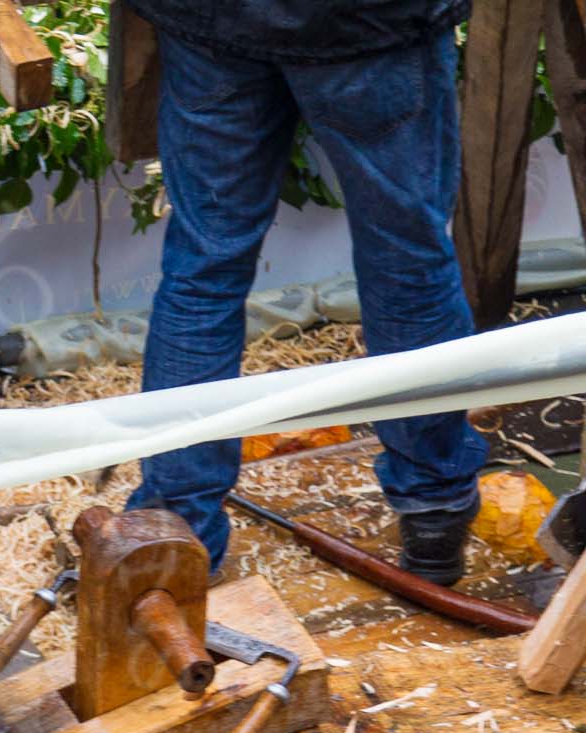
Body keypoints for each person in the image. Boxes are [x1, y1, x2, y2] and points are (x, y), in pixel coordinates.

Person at [123, 0, 485, 582]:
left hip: (218, 24)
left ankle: (179, 527)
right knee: (407, 262)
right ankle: (433, 509)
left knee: (204, 268)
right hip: (367, 24)